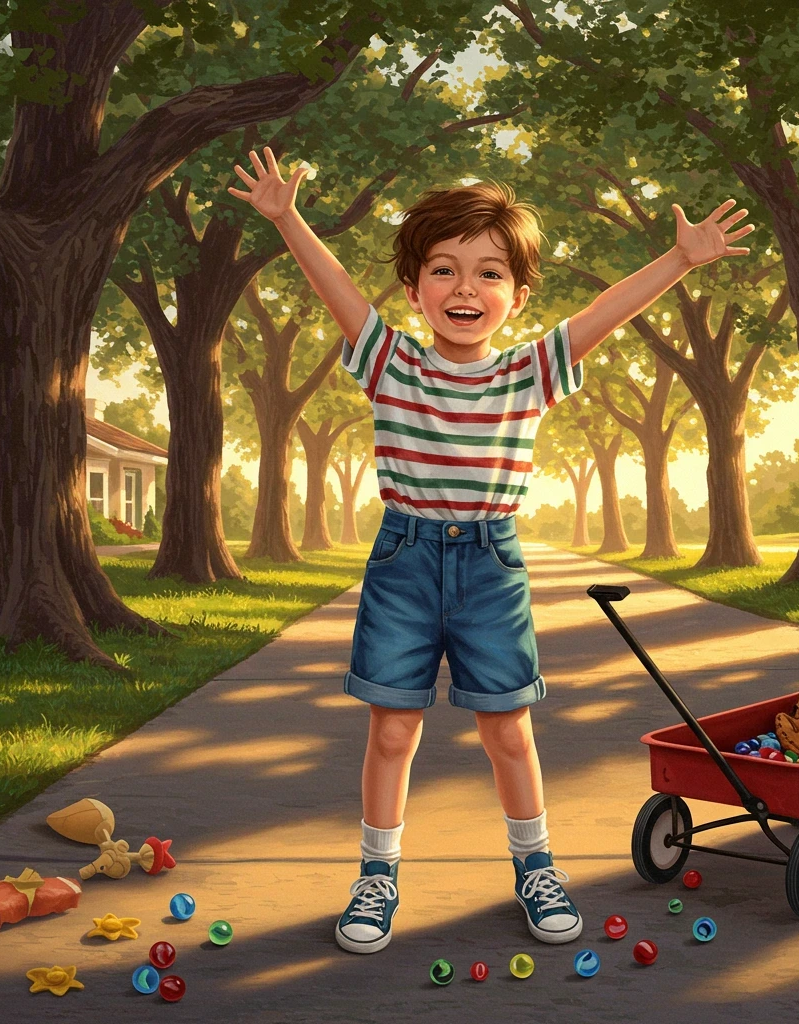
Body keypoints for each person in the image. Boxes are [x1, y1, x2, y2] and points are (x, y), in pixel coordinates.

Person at [228, 149, 753, 954]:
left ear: (518, 295)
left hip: (490, 564)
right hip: (403, 559)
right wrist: (286, 217)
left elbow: (607, 311)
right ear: (413, 289)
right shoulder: (388, 360)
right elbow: (333, 287)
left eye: (489, 274)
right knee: (392, 731)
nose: (465, 290)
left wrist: (681, 260)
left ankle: (536, 866)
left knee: (509, 729)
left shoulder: (532, 369)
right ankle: (376, 876)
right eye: (443, 269)